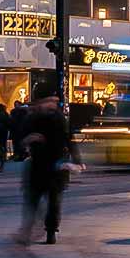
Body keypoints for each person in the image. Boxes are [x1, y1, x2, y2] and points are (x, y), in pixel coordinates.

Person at [15, 83, 83, 245]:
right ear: (39, 103)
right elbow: (20, 139)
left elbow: (69, 139)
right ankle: (29, 228)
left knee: (54, 201)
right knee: (33, 199)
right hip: (38, 165)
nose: (52, 104)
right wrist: (28, 140)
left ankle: (50, 231)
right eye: (49, 101)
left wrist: (77, 160)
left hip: (57, 166)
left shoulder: (59, 118)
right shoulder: (31, 119)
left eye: (54, 101)